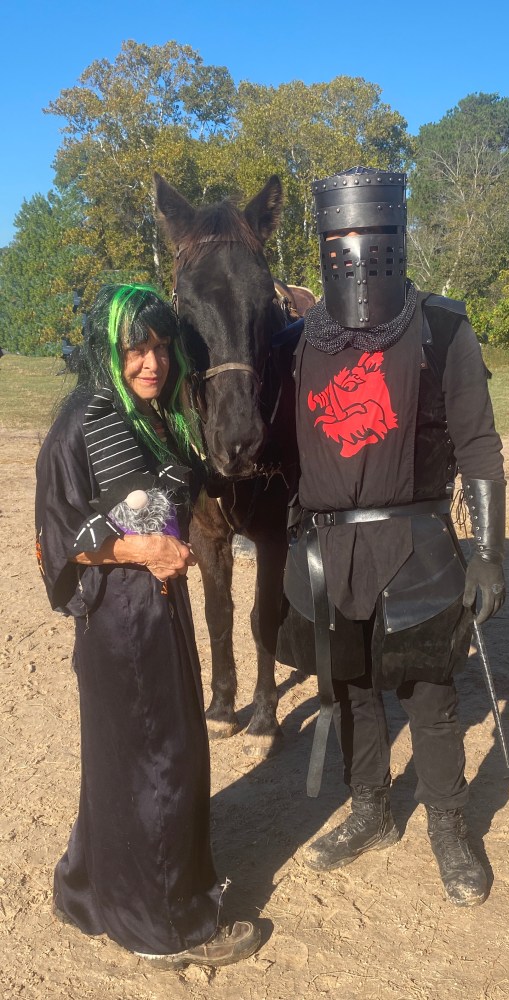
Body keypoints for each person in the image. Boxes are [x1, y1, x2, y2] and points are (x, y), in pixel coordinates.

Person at [277, 167, 506, 907]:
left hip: (417, 544)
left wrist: (490, 555)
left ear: (396, 235)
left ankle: (448, 823)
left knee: (431, 695)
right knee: (349, 691)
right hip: (329, 548)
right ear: (323, 243)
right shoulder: (295, 343)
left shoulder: (441, 327)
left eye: (370, 238)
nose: (357, 255)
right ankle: (371, 809)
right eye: (342, 241)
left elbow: (478, 444)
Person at [35, 284, 261, 968]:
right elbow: (57, 536)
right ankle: (167, 926)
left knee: (126, 760)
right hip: (121, 619)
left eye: (161, 347)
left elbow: (175, 490)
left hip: (160, 610)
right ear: (111, 350)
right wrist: (142, 548)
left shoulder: (153, 417)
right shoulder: (80, 424)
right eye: (138, 348)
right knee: (159, 762)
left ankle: (89, 890)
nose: (152, 362)